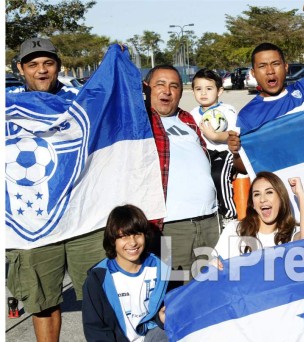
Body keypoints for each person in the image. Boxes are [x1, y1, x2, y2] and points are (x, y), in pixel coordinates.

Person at [5, 38, 104, 342]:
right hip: (32, 222)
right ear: (20, 68)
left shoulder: (80, 100)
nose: (42, 70)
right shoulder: (7, 105)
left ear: (58, 66)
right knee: (43, 304)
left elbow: (114, 110)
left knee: (101, 297)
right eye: (33, 64)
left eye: (48, 63)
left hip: (81, 220)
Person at [227, 4, 304, 173]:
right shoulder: (248, 116)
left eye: (275, 64)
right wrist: (236, 153)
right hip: (286, 192)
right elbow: (246, 167)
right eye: (262, 66)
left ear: (286, 67)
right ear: (253, 73)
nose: (270, 71)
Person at [144, 65, 220, 280]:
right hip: (170, 229)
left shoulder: (189, 119)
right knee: (174, 295)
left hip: (209, 224)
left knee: (211, 291)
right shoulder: (139, 123)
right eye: (160, 84)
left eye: (174, 86)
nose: (167, 91)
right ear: (147, 88)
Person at [82, 205, 169, 342]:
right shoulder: (98, 279)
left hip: (150, 336)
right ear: (112, 240)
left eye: (137, 234)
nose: (133, 242)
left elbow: (160, 313)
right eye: (124, 236)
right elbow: (95, 329)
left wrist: (161, 318)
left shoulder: (160, 268)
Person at [213, 172, 304, 260]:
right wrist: (213, 263)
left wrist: (300, 194)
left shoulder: (292, 232)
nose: (262, 199)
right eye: (257, 194)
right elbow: (212, 260)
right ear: (252, 203)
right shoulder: (235, 229)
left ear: (281, 198)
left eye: (269, 192)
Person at [189, 68, 239, 227]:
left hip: (225, 153)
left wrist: (215, 136)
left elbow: (233, 134)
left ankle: (230, 215)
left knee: (219, 176)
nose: (203, 93)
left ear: (220, 91)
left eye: (209, 89)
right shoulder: (193, 113)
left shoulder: (226, 110)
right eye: (198, 89)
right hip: (205, 155)